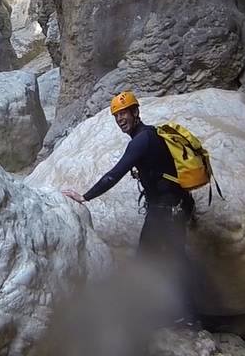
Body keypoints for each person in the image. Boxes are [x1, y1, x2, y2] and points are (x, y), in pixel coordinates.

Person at [62, 91, 197, 323]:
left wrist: (85, 196)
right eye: (116, 116)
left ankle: (185, 316)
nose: (120, 119)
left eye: (124, 113)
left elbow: (114, 174)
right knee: (162, 259)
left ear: (136, 112)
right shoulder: (150, 134)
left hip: (165, 213)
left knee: (159, 260)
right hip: (169, 209)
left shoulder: (141, 140)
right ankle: (175, 313)